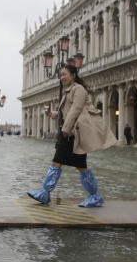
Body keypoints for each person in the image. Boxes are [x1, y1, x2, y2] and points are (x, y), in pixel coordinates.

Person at [27, 64, 115, 207]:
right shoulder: (68, 91)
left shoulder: (78, 90)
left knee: (59, 162)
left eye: (64, 74)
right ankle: (94, 196)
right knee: (79, 165)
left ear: (73, 75)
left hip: (72, 134)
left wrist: (65, 130)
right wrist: (51, 114)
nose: (62, 77)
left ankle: (45, 193)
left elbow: (76, 110)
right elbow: (64, 114)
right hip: (70, 133)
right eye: (60, 75)